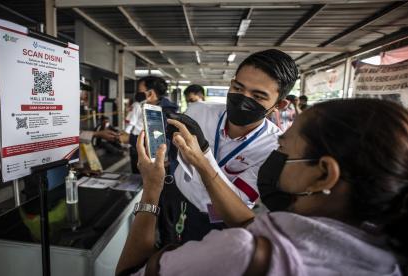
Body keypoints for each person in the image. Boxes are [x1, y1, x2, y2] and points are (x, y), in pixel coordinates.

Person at [116, 98, 407, 275]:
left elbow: (130, 273)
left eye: (285, 146)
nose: (277, 152)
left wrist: (151, 188)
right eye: (238, 88)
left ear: (323, 175)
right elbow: (251, 223)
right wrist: (203, 160)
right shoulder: (389, 254)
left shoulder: (241, 252)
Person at [159, 49, 296, 245]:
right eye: (238, 88)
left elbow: (238, 201)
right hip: (179, 200)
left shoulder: (275, 148)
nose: (242, 98)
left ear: (279, 105)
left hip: (221, 221)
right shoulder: (198, 111)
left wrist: (203, 154)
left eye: (257, 96)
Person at [119, 76, 178, 173]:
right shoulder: (152, 107)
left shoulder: (163, 112)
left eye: (140, 91)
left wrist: (129, 138)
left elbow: (159, 143)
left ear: (150, 93)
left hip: (158, 163)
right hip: (147, 154)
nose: (138, 94)